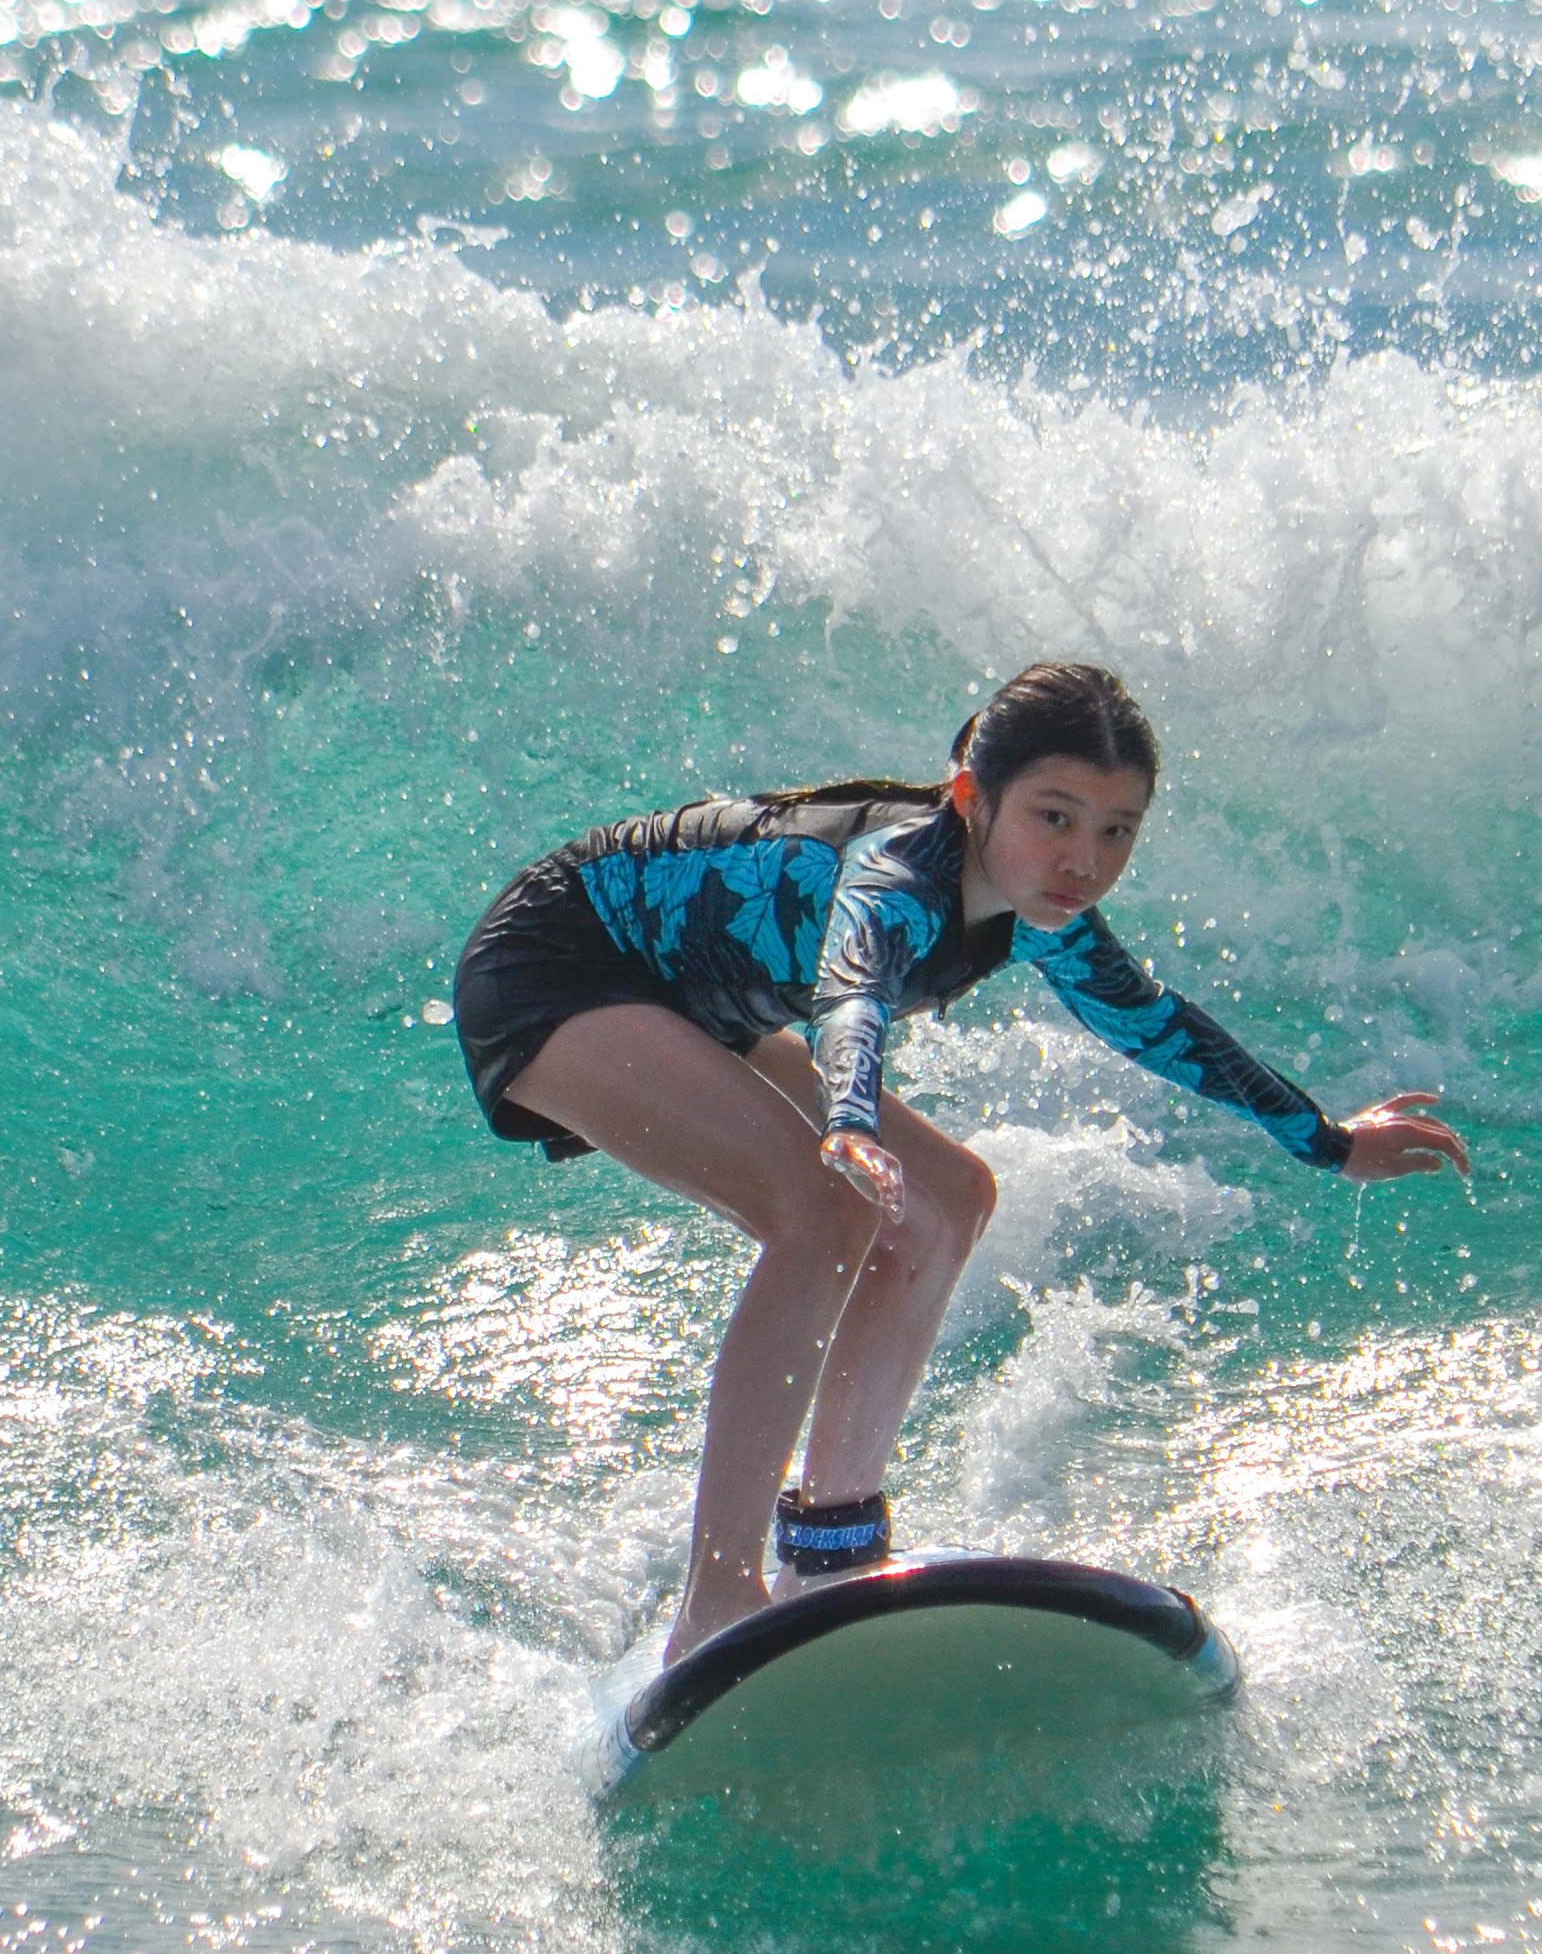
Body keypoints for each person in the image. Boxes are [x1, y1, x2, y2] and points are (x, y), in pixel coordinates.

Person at [448, 659, 1470, 1666]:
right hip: (558, 965)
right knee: (824, 1209)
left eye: (1117, 830)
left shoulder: (1037, 914)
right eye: (1054, 817)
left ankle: (829, 1553)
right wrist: (849, 1117)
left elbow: (1159, 1027)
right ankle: (715, 1601)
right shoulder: (894, 876)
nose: (1084, 859)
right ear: (973, 796)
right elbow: (851, 992)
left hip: (694, 994)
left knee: (949, 1199)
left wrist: (1332, 1142)